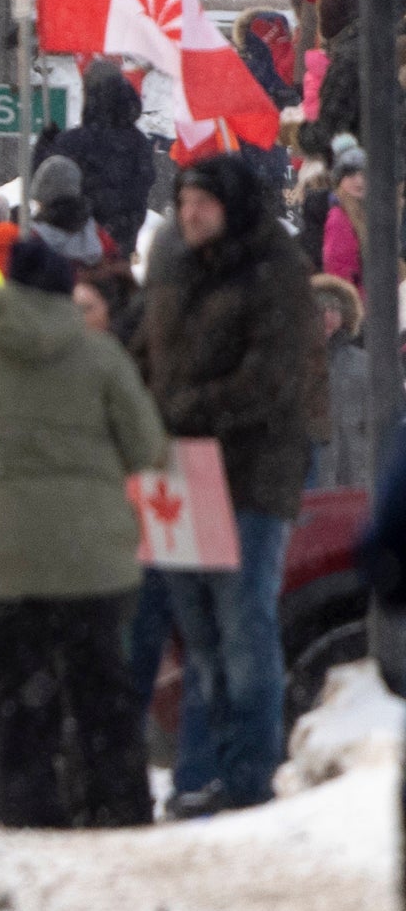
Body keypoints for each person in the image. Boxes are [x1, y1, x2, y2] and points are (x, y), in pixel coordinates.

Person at [132, 148, 325, 813]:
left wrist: (183, 409)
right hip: (182, 473)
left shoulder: (275, 269)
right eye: (183, 204)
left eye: (203, 204)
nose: (189, 215)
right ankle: (206, 771)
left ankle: (248, 773)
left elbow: (272, 378)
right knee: (201, 634)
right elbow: (147, 349)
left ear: (232, 206)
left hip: (249, 475)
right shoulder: (177, 267)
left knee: (243, 626)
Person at [0, 231, 164, 828]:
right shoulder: (101, 356)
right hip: (94, 555)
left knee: (19, 695)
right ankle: (115, 803)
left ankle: (27, 808)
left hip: (5, 554)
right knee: (102, 691)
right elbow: (147, 448)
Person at [37, 61, 163, 255]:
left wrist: (45, 147)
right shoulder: (138, 141)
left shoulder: (75, 142)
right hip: (122, 245)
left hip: (77, 248)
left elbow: (46, 187)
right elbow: (143, 185)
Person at [318, 139, 364, 283]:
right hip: (362, 301)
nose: (359, 181)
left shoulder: (372, 210)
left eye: (363, 174)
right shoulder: (339, 217)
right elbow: (338, 269)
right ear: (340, 181)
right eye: (351, 175)